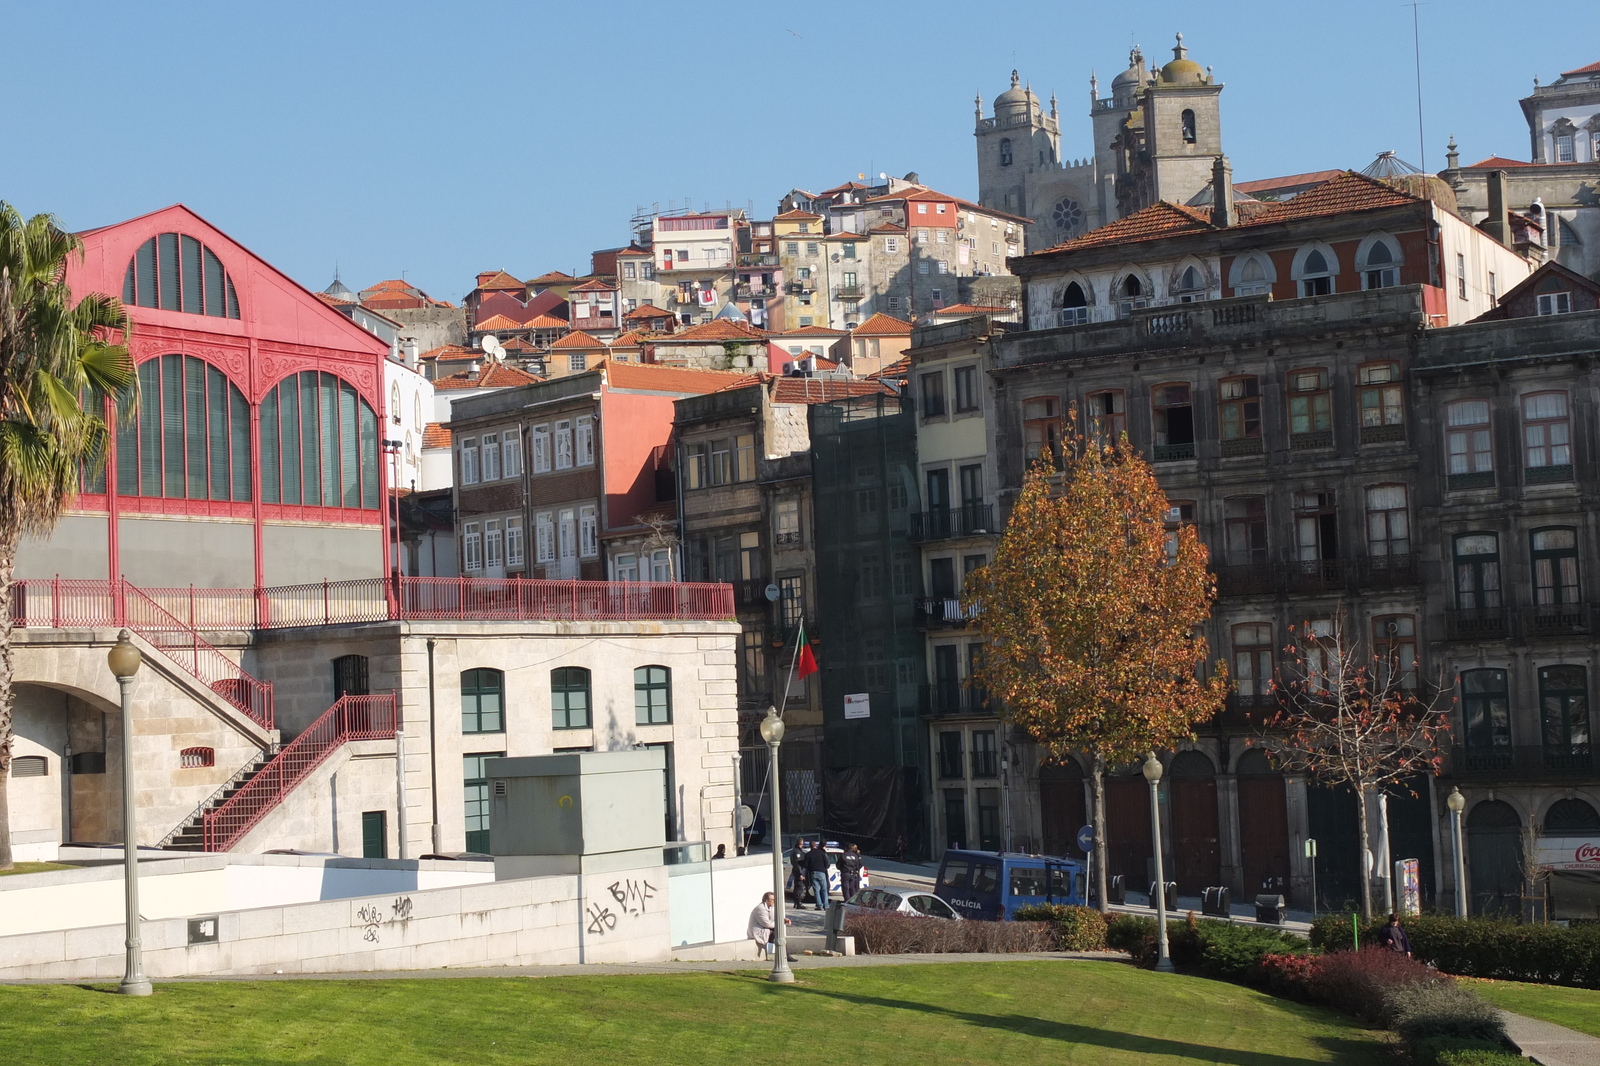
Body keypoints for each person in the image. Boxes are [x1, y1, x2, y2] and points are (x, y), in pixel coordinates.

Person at [746, 892, 791, 960]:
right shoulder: (760, 909)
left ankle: (785, 955)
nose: (774, 901)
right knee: (777, 933)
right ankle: (785, 956)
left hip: (765, 930)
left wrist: (784, 920)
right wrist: (780, 923)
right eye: (772, 899)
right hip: (757, 932)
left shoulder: (771, 907)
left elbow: (775, 918)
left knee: (778, 933)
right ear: (766, 900)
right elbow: (766, 923)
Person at [805, 839, 832, 910]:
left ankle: (819, 905)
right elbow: (827, 862)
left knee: (816, 890)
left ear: (810, 846)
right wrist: (824, 868)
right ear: (816, 845)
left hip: (813, 873)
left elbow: (806, 865)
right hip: (822, 872)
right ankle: (826, 905)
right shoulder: (822, 853)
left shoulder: (808, 854)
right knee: (824, 889)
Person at [789, 839, 809, 906]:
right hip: (798, 871)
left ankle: (796, 902)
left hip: (797, 870)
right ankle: (798, 903)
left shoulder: (796, 850)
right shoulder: (797, 852)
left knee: (797, 886)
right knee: (799, 886)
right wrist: (800, 873)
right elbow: (797, 864)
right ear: (801, 844)